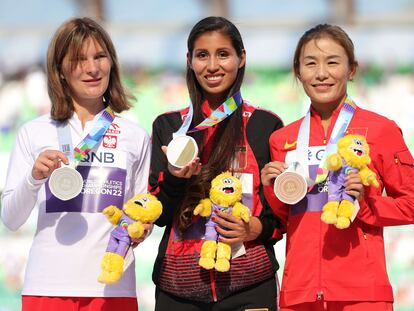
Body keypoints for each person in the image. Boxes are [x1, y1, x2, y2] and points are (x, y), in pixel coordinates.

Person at [0, 17, 151, 311]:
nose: (92, 68)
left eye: (100, 56)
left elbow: (139, 212)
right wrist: (33, 179)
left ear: (112, 63)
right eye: (79, 59)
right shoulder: (35, 131)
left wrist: (141, 228)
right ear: (60, 70)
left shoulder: (135, 135)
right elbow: (11, 219)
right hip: (47, 287)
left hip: (113, 289)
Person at [261, 23, 414, 311]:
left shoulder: (380, 130)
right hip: (300, 294)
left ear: (352, 69)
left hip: (363, 294)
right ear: (298, 71)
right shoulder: (282, 139)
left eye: (332, 62)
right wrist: (272, 189)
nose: (321, 73)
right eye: (310, 63)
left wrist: (367, 206)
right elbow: (284, 218)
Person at [149, 16, 284, 310]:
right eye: (202, 55)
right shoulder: (169, 126)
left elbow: (280, 214)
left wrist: (255, 229)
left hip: (250, 284)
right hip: (178, 288)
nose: (212, 66)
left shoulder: (265, 124)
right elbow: (158, 215)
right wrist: (175, 179)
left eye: (223, 54)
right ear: (189, 61)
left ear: (241, 58)